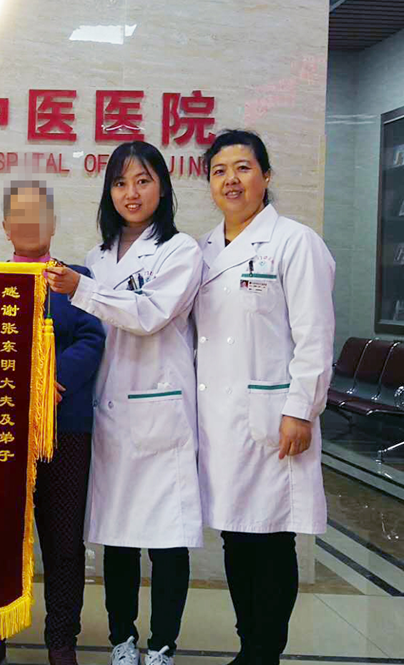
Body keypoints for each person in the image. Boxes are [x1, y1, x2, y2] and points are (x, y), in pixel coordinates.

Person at [45, 141, 204, 665]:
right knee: (117, 535)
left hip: (160, 410)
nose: (131, 193)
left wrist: (81, 289)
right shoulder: (97, 258)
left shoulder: (180, 251)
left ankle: (162, 645)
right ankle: (122, 639)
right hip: (109, 413)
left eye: (142, 180)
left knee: (166, 537)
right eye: (120, 183)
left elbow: (149, 314)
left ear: (163, 187)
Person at [194, 130, 335, 665]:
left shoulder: (295, 243)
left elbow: (315, 336)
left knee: (272, 538)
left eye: (243, 168)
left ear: (266, 176)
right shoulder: (204, 250)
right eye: (219, 171)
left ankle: (265, 652)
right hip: (221, 422)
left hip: (275, 419)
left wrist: (301, 410)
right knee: (235, 535)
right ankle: (248, 645)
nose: (231, 180)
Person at [0, 182, 105, 665]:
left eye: (38, 214)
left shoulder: (76, 278)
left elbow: (92, 336)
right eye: (19, 216)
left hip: (64, 430)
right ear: (5, 228)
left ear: (53, 224)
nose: (29, 223)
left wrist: (51, 379)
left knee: (64, 541)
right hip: (1, 433)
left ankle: (61, 641)